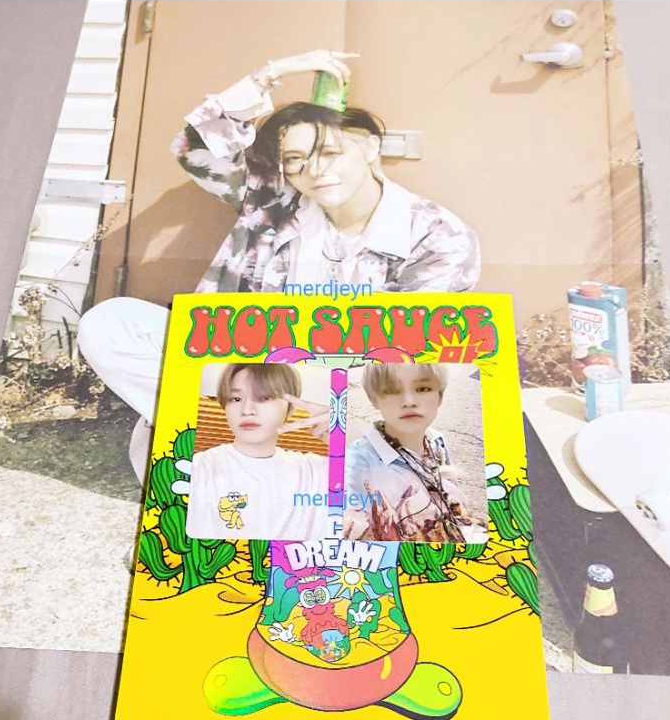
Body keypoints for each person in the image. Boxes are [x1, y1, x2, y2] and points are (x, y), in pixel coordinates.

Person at [77, 50, 481, 479]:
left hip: (346, 390)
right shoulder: (273, 201)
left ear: (369, 146)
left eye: (330, 152)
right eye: (295, 159)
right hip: (248, 372)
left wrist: (346, 404)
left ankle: (256, 450)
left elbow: (415, 350)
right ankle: (235, 442)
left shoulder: (439, 237)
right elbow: (194, 149)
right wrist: (268, 76)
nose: (314, 170)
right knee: (109, 323)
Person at [343, 363, 487, 543]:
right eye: (392, 390)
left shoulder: (436, 441)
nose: (409, 401)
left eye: (422, 388)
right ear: (373, 399)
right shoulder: (356, 462)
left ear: (440, 396)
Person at [186, 364, 330, 540]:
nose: (247, 410)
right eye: (236, 399)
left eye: (264, 397)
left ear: (291, 408)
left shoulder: (316, 472)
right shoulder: (196, 468)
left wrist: (341, 436)